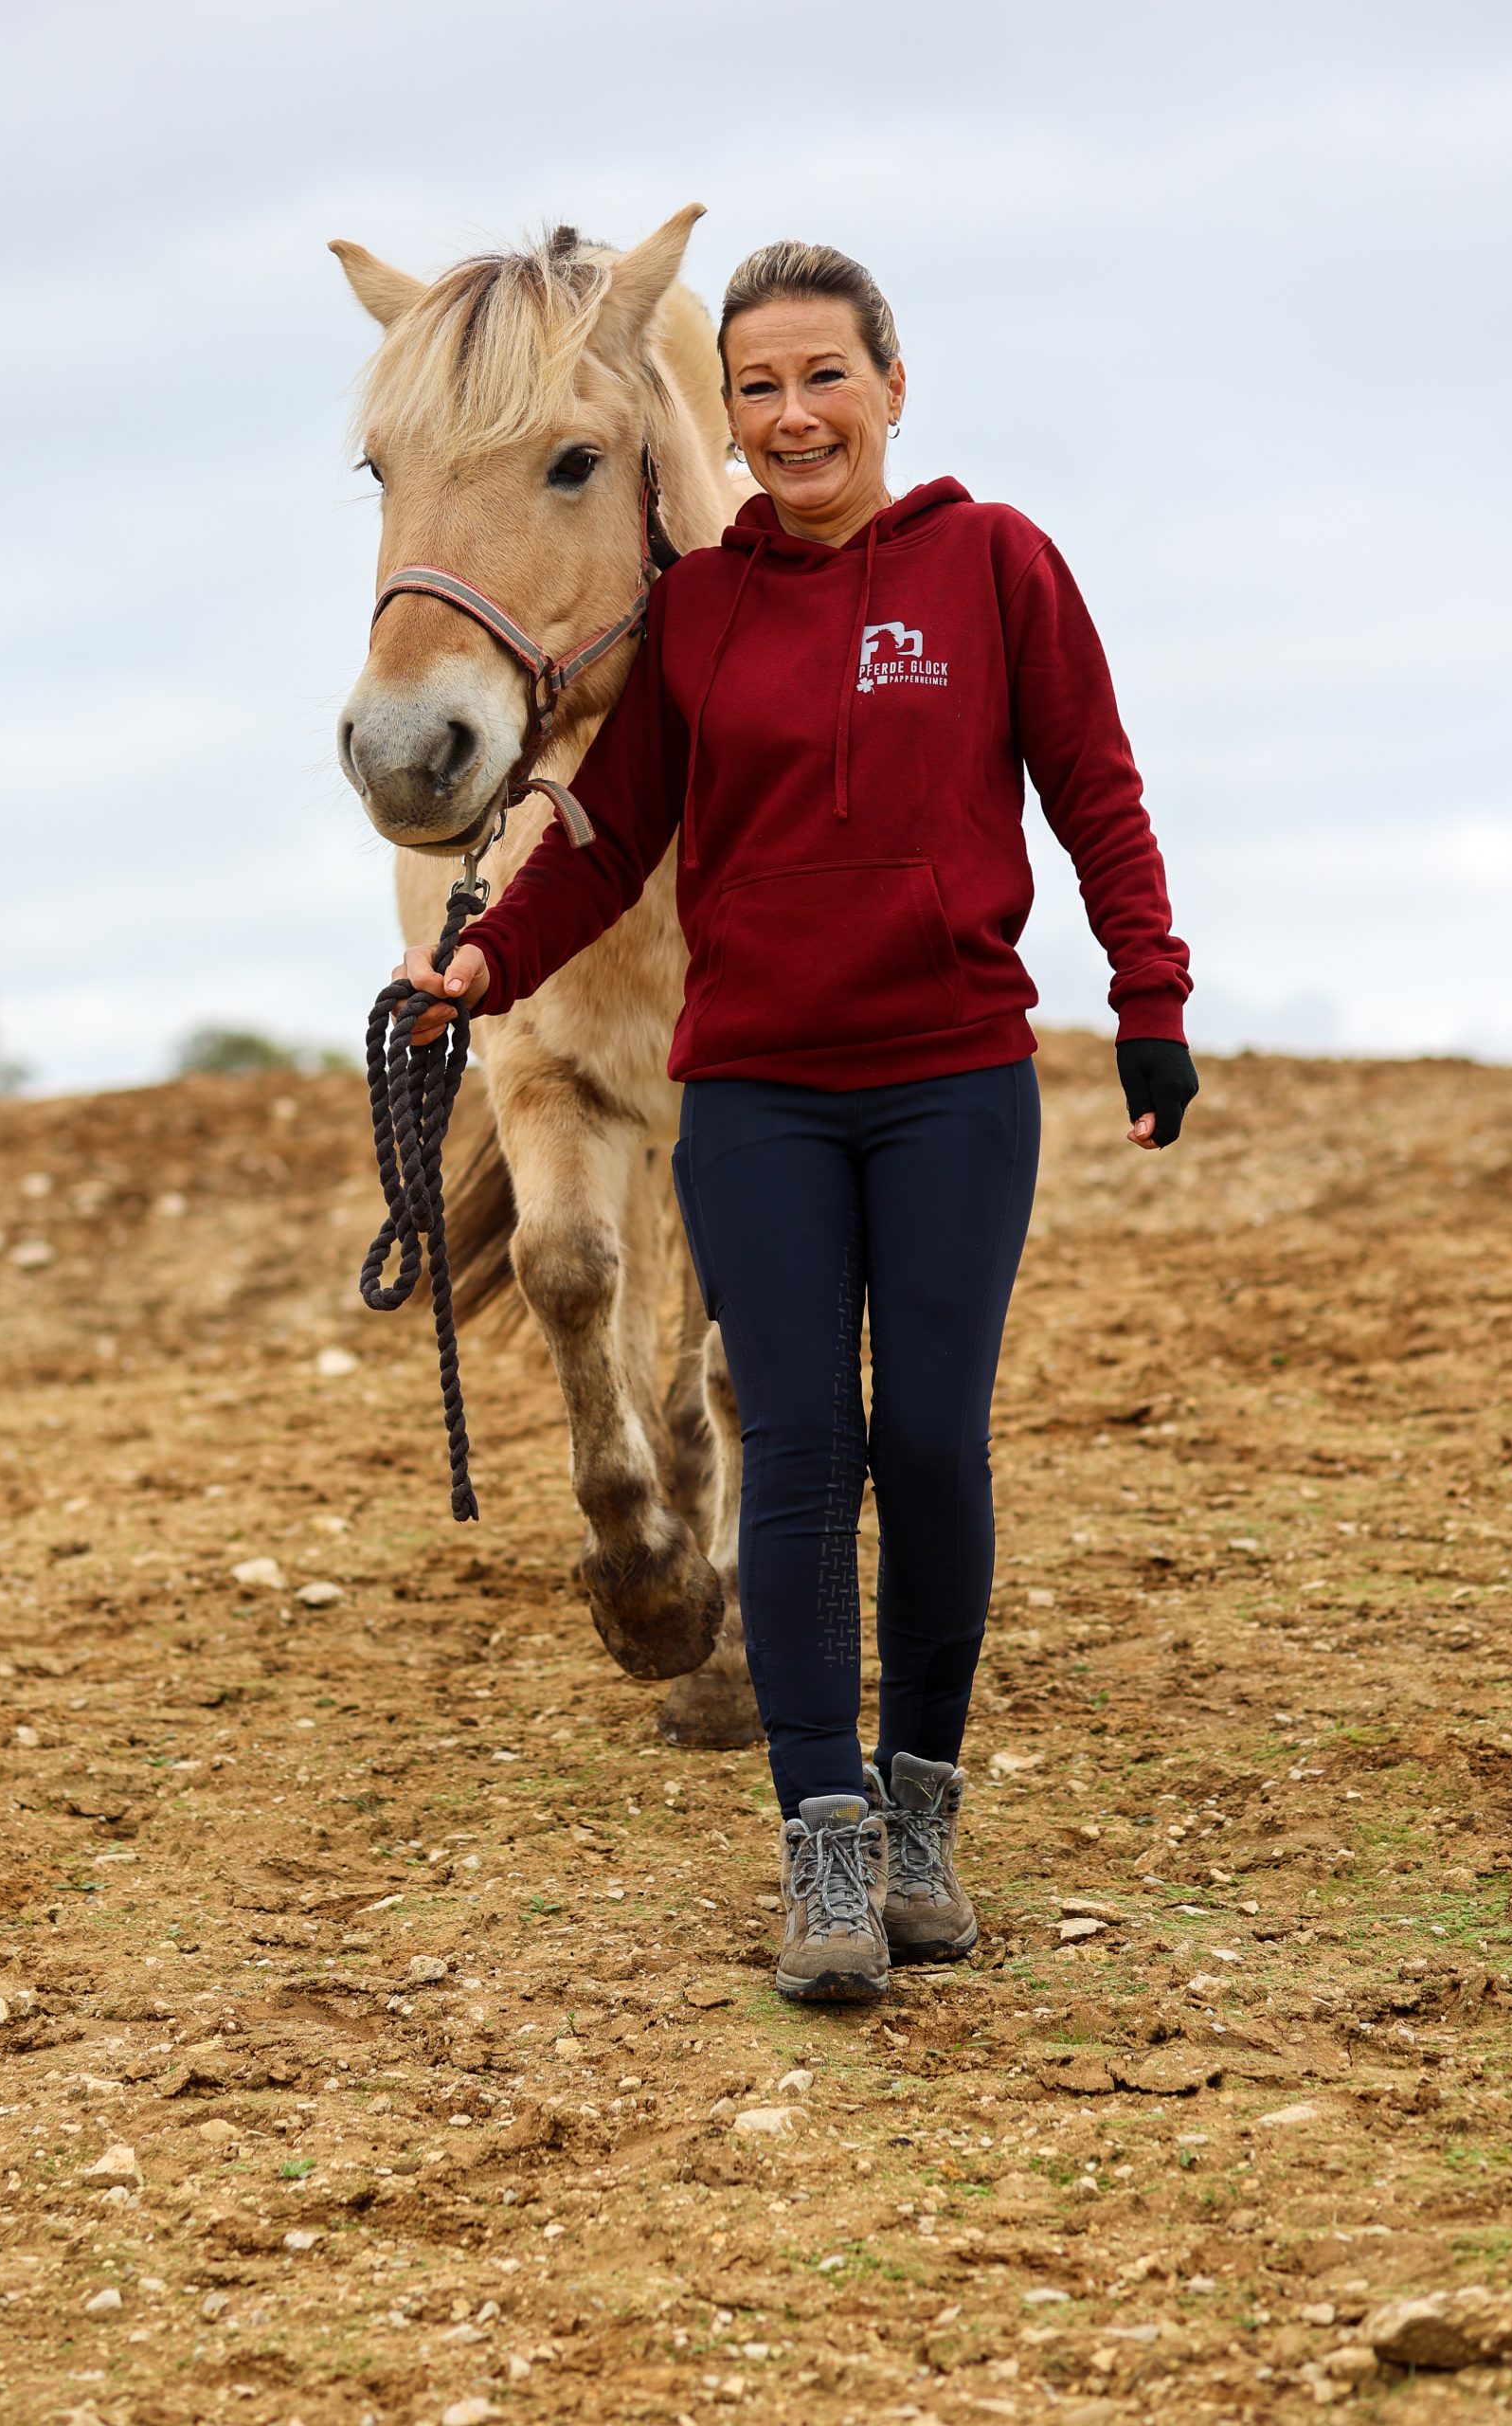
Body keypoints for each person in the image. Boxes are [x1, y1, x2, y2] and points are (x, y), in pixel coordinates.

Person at [394, 241, 1198, 2003]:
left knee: (930, 1443)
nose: (792, 414)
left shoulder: (996, 567)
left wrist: (1150, 1001)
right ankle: (823, 1843)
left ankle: (923, 1811)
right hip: (756, 1089)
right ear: (729, 419)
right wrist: (479, 962)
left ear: (893, 389)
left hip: (952, 1080)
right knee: (806, 1452)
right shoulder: (697, 612)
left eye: (825, 376)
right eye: (758, 387)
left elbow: (1094, 785)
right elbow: (609, 826)